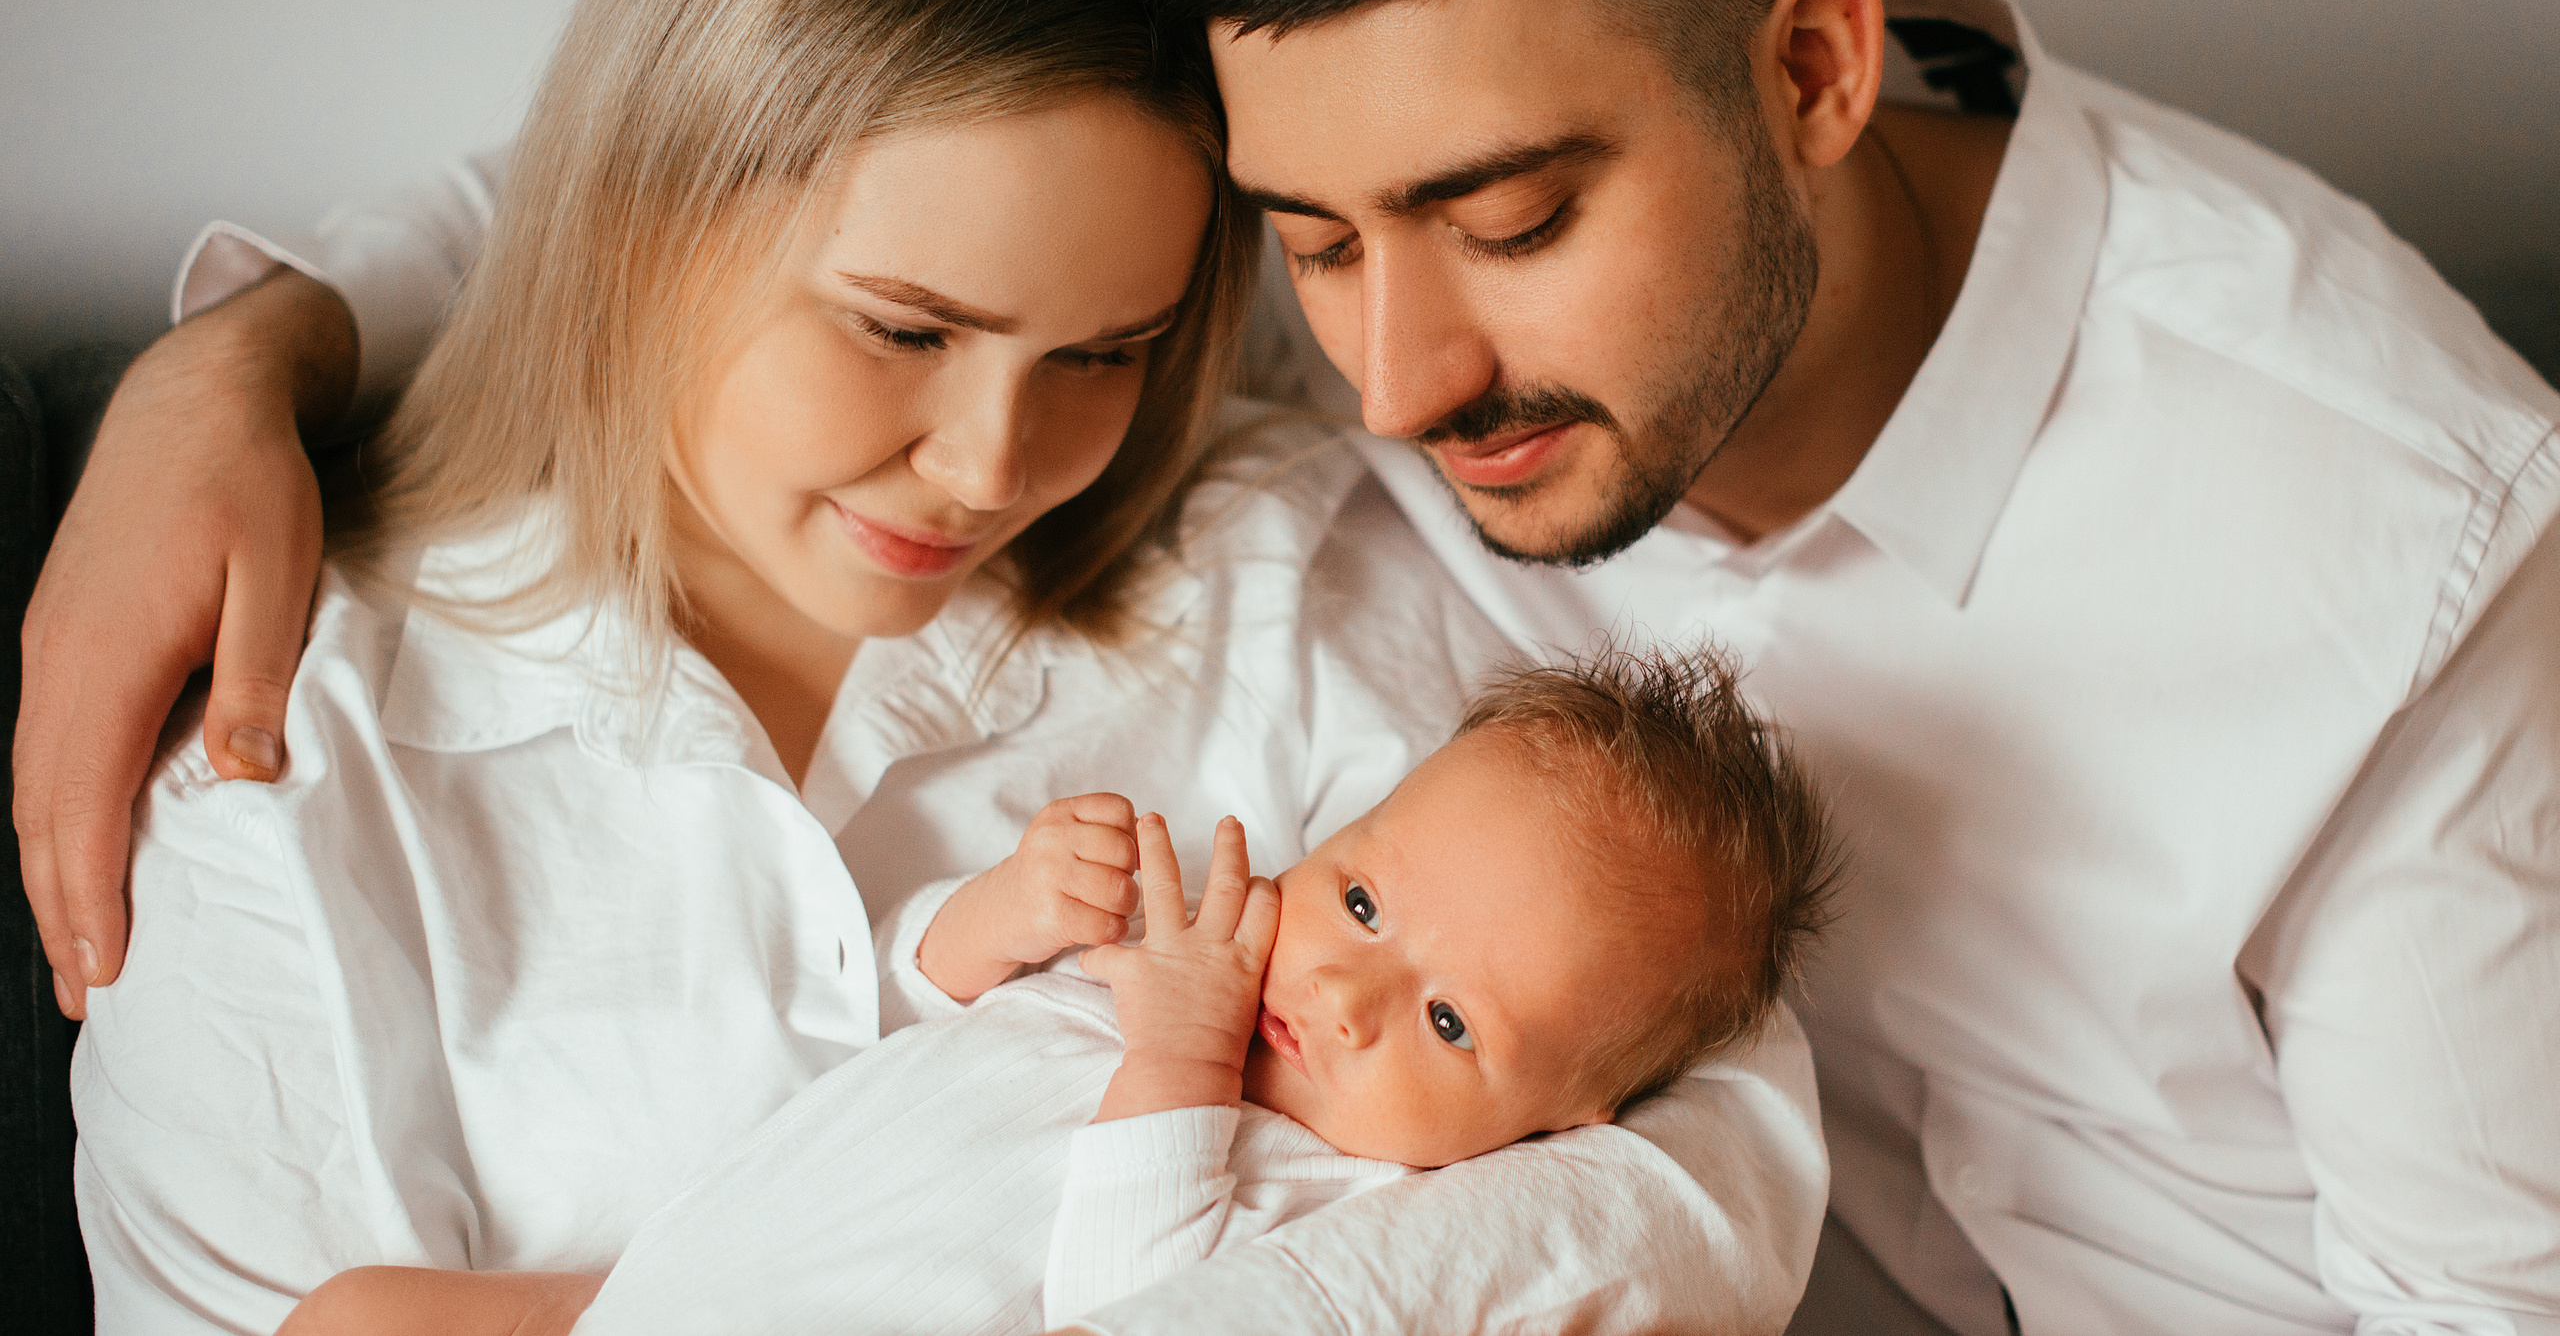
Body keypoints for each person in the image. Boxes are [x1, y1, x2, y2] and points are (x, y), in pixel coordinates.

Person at [21, 0, 2556, 1333]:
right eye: (1309, 254)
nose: (1395, 382)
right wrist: (238, 356)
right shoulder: (1353, 323)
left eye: (1504, 216)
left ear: (1811, 73)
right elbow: (725, 175)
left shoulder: (2397, 559)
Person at [54, 0, 1829, 1336]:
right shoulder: (288, 766)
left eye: (1103, 354)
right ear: (646, 216)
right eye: (903, 329)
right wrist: (234, 353)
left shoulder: (1286, 571)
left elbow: (1692, 1144)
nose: (994, 466)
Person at [276, 647, 1841, 1336]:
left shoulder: (1338, 1203)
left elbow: (1125, 1305)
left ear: (1559, 1122)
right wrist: (1001, 916)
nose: (1351, 994)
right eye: (1361, 897)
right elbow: (898, 1025)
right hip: (636, 1292)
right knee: (353, 1315)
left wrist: (1173, 1057)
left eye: (1449, 1024)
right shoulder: (1181, 960)